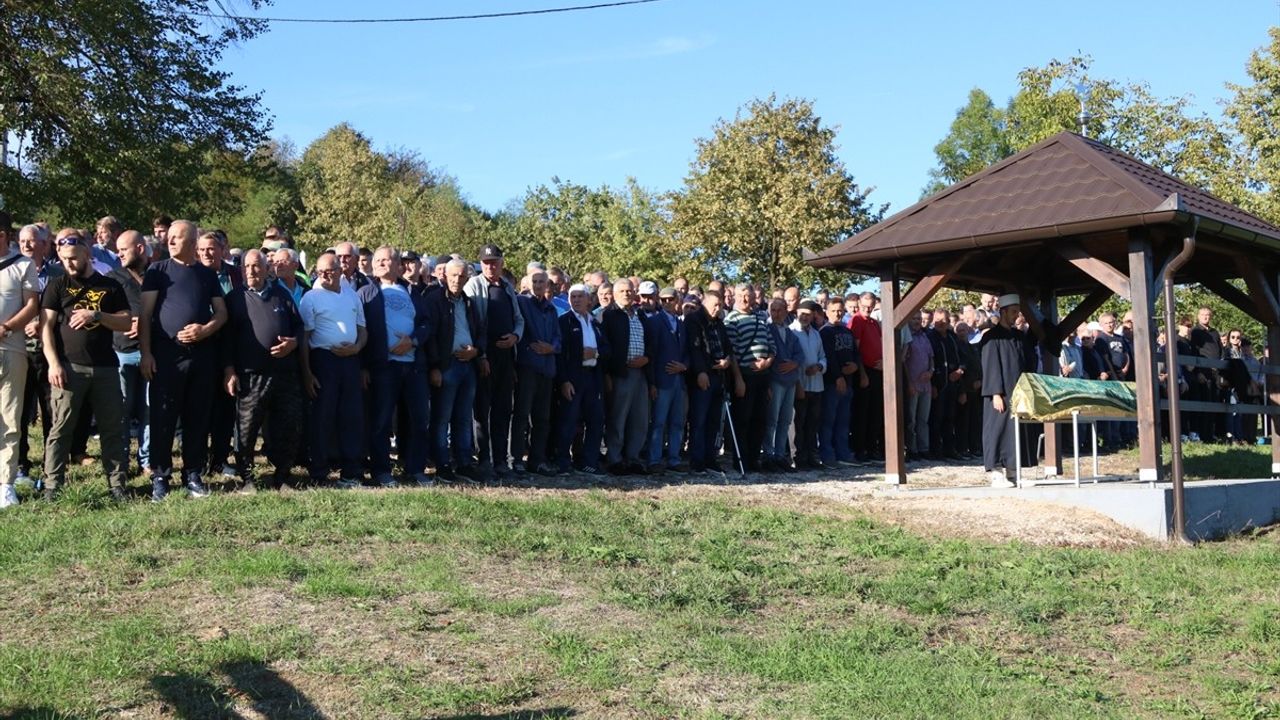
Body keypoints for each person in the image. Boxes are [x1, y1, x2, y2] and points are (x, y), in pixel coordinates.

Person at [39, 230, 132, 501]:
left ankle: (117, 485)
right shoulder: (57, 286)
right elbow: (45, 329)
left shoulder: (110, 286)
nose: (69, 264)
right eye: (64, 259)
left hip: (105, 367)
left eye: (74, 258)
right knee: (61, 428)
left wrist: (98, 314)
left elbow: (126, 322)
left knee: (111, 428)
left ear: (87, 254)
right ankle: (52, 485)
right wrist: (54, 364)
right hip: (69, 367)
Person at [140, 220, 227, 501]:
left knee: (197, 417)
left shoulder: (206, 274)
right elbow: (144, 316)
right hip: (167, 357)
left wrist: (205, 330)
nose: (171, 241)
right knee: (163, 417)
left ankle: (193, 474)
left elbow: (221, 313)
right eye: (170, 237)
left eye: (178, 238)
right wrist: (146, 353)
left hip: (201, 357)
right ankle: (161, 477)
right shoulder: (157, 271)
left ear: (192, 243)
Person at [222, 249, 307, 492]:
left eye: (256, 266)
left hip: (284, 374)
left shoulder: (282, 294)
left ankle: (282, 476)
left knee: (288, 426)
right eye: (247, 267)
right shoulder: (235, 298)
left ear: (266, 268)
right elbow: (226, 340)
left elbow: (300, 327)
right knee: (246, 429)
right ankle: (247, 479)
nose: (251, 271)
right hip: (250, 374)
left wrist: (293, 342)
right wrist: (229, 370)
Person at [359, 247, 432, 488]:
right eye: (376, 260)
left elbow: (425, 323)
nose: (379, 264)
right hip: (383, 367)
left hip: (413, 367)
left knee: (419, 420)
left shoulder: (412, 291)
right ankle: (381, 471)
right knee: (380, 421)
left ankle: (415, 469)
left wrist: (412, 340)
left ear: (397, 264)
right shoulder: (366, 293)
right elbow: (361, 330)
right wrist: (364, 367)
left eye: (385, 260)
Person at [298, 252, 367, 488]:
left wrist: (356, 348)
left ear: (340, 271)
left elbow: (363, 330)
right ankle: (318, 472)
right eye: (320, 272)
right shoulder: (311, 297)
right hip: (323, 360)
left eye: (330, 271)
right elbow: (304, 338)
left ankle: (351, 471)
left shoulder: (352, 296)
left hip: (350, 361)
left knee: (351, 417)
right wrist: (307, 373)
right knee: (322, 417)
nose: (325, 275)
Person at [464, 243, 523, 477]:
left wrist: (516, 337)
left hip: (506, 357)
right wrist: (482, 355)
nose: (491, 266)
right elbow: (473, 324)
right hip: (484, 357)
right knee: (482, 412)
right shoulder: (474, 286)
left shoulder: (507, 287)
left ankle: (500, 460)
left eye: (495, 262)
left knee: (502, 409)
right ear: (481, 264)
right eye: (487, 262)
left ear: (501, 263)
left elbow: (519, 319)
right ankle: (484, 459)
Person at [426, 259, 485, 483]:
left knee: (463, 418)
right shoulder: (434, 300)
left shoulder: (469, 303)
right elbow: (430, 336)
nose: (457, 280)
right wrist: (434, 367)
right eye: (453, 275)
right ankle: (442, 464)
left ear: (467, 278)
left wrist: (477, 350)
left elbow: (480, 330)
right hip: (446, 365)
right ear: (444, 276)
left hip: (467, 365)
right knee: (441, 418)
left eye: (461, 276)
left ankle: (464, 463)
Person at [0, 219, 41, 509]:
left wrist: (6, 328)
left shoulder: (22, 265)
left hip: (10, 348)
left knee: (11, 416)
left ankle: (5, 484)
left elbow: (31, 306)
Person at [16, 224, 59, 483]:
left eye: (32, 241)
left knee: (51, 412)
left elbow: (64, 308)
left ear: (45, 244)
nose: (26, 245)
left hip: (50, 352)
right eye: (22, 241)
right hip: (20, 350)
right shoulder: (13, 269)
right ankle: (21, 464)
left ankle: (51, 465)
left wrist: (42, 324)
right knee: (19, 412)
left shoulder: (57, 274)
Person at [600, 279, 655, 475]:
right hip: (620, 373)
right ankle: (615, 458)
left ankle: (633, 458)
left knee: (639, 418)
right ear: (614, 294)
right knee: (618, 417)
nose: (626, 294)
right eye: (622, 291)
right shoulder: (610, 315)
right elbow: (604, 347)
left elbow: (650, 343)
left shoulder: (640, 315)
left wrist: (647, 358)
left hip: (641, 373)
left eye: (629, 291)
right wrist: (607, 374)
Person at [512, 270, 561, 475]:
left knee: (542, 418)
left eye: (542, 282)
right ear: (527, 283)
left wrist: (552, 348)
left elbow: (558, 337)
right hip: (527, 367)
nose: (538, 285)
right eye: (535, 281)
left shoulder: (551, 308)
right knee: (521, 415)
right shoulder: (522, 303)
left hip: (546, 368)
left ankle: (537, 460)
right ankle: (515, 459)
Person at [555, 284, 608, 474]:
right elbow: (560, 354)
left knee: (595, 421)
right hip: (573, 377)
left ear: (589, 300)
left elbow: (606, 349)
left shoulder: (595, 323)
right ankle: (562, 461)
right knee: (569, 421)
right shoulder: (564, 321)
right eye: (573, 297)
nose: (576, 300)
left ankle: (589, 461)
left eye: (579, 297)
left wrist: (596, 353)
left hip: (593, 376)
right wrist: (564, 381)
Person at [110, 230, 149, 475]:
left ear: (141, 249)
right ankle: (121, 461)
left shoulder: (159, 276)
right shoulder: (112, 279)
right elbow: (103, 314)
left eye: (124, 249)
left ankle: (147, 460)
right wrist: (128, 322)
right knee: (121, 409)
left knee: (150, 410)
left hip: (151, 353)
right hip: (122, 351)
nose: (119, 254)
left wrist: (147, 323)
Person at [724, 284, 775, 472]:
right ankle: (741, 461)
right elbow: (733, 352)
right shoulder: (731, 319)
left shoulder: (761, 317)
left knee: (760, 419)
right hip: (744, 375)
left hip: (763, 375)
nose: (744, 299)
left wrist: (767, 362)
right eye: (740, 295)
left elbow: (771, 345)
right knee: (743, 420)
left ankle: (754, 459)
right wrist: (738, 379)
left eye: (747, 295)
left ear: (754, 297)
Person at [980, 294, 1028, 488]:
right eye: (1014, 311)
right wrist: (995, 393)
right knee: (997, 430)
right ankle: (996, 473)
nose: (1016, 315)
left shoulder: (1017, 337)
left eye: (1018, 311)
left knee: (1013, 431)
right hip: (999, 393)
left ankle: (1013, 471)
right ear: (1004, 312)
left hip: (1016, 392)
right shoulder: (992, 337)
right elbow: (990, 365)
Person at [646, 286, 690, 473]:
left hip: (679, 380)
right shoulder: (655, 322)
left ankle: (674, 458)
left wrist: (685, 366)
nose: (667, 303)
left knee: (677, 422)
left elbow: (687, 351)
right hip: (662, 380)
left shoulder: (681, 324)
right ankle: (654, 459)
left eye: (670, 299)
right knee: (658, 422)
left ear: (677, 300)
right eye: (663, 300)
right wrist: (652, 383)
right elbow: (652, 354)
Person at [818, 297, 859, 467]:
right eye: (834, 310)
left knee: (843, 421)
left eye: (840, 310)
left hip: (849, 381)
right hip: (831, 383)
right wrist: (837, 377)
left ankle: (843, 453)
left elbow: (855, 352)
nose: (837, 313)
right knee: (828, 420)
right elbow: (828, 356)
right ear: (827, 312)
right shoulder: (824, 332)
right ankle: (827, 455)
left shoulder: (847, 331)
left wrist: (855, 366)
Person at [788, 300, 826, 470]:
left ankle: (811, 455)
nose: (804, 317)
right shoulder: (791, 332)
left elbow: (823, 356)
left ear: (813, 316)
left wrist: (819, 366)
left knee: (813, 423)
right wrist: (797, 384)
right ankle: (798, 456)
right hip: (800, 385)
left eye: (808, 314)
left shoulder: (816, 334)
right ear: (797, 313)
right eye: (802, 313)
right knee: (798, 423)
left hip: (816, 384)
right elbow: (790, 360)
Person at [849, 292, 884, 462]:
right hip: (865, 371)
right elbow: (856, 349)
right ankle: (860, 449)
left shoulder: (874, 322)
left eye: (871, 305)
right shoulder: (857, 320)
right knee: (862, 412)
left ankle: (872, 447)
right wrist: (862, 373)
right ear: (859, 303)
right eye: (865, 305)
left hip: (878, 370)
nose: (867, 308)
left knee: (875, 412)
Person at [903, 311, 934, 461]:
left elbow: (931, 357)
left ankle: (924, 448)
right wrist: (908, 383)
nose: (917, 321)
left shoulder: (924, 336)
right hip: (913, 383)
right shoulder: (907, 337)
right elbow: (903, 362)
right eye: (914, 318)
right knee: (911, 420)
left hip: (926, 384)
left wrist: (931, 371)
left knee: (923, 419)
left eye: (919, 319)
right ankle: (912, 449)